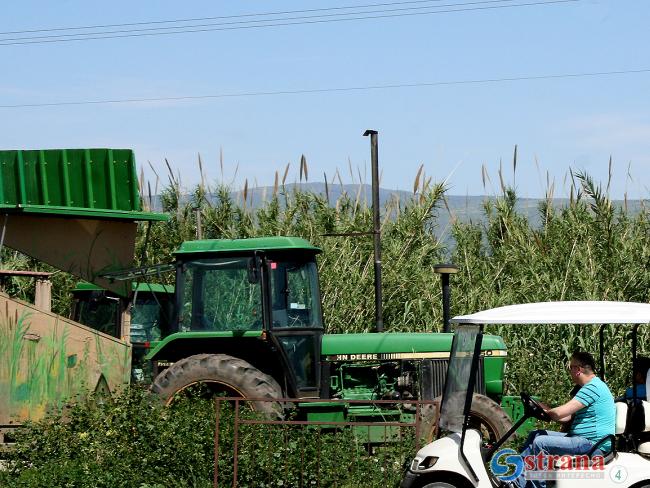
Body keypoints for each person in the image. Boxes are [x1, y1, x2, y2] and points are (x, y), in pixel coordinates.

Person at [514, 351, 616, 488]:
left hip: (593, 444)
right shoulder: (589, 387)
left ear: (578, 370)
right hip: (583, 440)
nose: (569, 372)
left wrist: (546, 411)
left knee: (540, 442)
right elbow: (567, 416)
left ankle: (535, 486)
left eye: (570, 368)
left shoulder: (593, 387)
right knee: (536, 435)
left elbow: (559, 413)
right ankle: (517, 481)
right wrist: (545, 412)